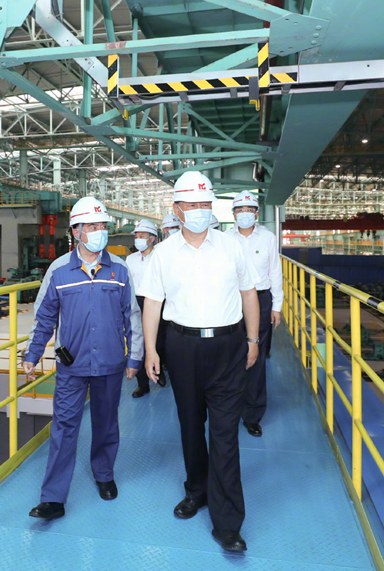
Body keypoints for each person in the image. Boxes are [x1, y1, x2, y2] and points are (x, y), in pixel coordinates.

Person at [138, 171, 261, 553]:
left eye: (205, 204)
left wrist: (253, 339)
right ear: (176, 209)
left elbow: (249, 294)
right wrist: (151, 350)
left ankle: (228, 523)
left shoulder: (231, 246)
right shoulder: (164, 254)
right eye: (192, 205)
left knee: (224, 434)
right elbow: (152, 304)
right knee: (191, 426)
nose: (199, 211)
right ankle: (197, 490)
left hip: (228, 346)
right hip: (182, 347)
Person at [24, 196, 143, 521]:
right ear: (76, 231)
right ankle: (53, 498)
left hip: (110, 363)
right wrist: (33, 353)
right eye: (92, 226)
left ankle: (104, 475)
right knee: (63, 428)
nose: (99, 231)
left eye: (102, 225)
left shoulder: (119, 270)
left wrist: (134, 357)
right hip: (71, 365)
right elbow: (44, 316)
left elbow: (131, 315)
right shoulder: (59, 271)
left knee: (106, 423)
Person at [226, 191, 283, 437]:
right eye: (240, 210)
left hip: (260, 300)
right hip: (231, 299)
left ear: (256, 214)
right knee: (229, 356)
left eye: (249, 210)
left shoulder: (268, 238)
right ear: (233, 215)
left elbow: (275, 272)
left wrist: (276, 306)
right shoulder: (225, 239)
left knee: (255, 357)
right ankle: (228, 408)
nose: (244, 214)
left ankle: (252, 414)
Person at [126, 219, 167, 397]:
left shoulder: (161, 257)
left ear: (152, 238)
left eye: (142, 236)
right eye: (136, 236)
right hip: (136, 302)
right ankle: (142, 384)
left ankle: (158, 370)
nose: (138, 239)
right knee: (138, 342)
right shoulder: (130, 259)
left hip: (157, 302)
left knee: (159, 341)